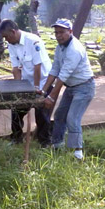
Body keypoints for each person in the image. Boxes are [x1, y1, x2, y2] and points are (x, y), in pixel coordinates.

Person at [41, 19, 95, 160]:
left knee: (72, 118)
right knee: (59, 115)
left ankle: (77, 152)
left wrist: (51, 97)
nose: (59, 35)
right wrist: (43, 90)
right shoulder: (60, 47)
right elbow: (55, 69)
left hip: (84, 87)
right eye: (56, 32)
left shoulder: (74, 50)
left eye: (62, 32)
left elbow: (63, 76)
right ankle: (57, 145)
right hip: (71, 87)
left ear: (70, 32)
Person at [0, 19, 53, 147]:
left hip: (44, 82)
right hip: (27, 83)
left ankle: (45, 142)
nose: (6, 40)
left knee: (41, 114)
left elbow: (37, 67)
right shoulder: (12, 44)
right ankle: (16, 138)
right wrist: (18, 89)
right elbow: (16, 68)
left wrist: (37, 89)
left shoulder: (33, 41)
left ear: (13, 31)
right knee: (16, 110)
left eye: (6, 36)